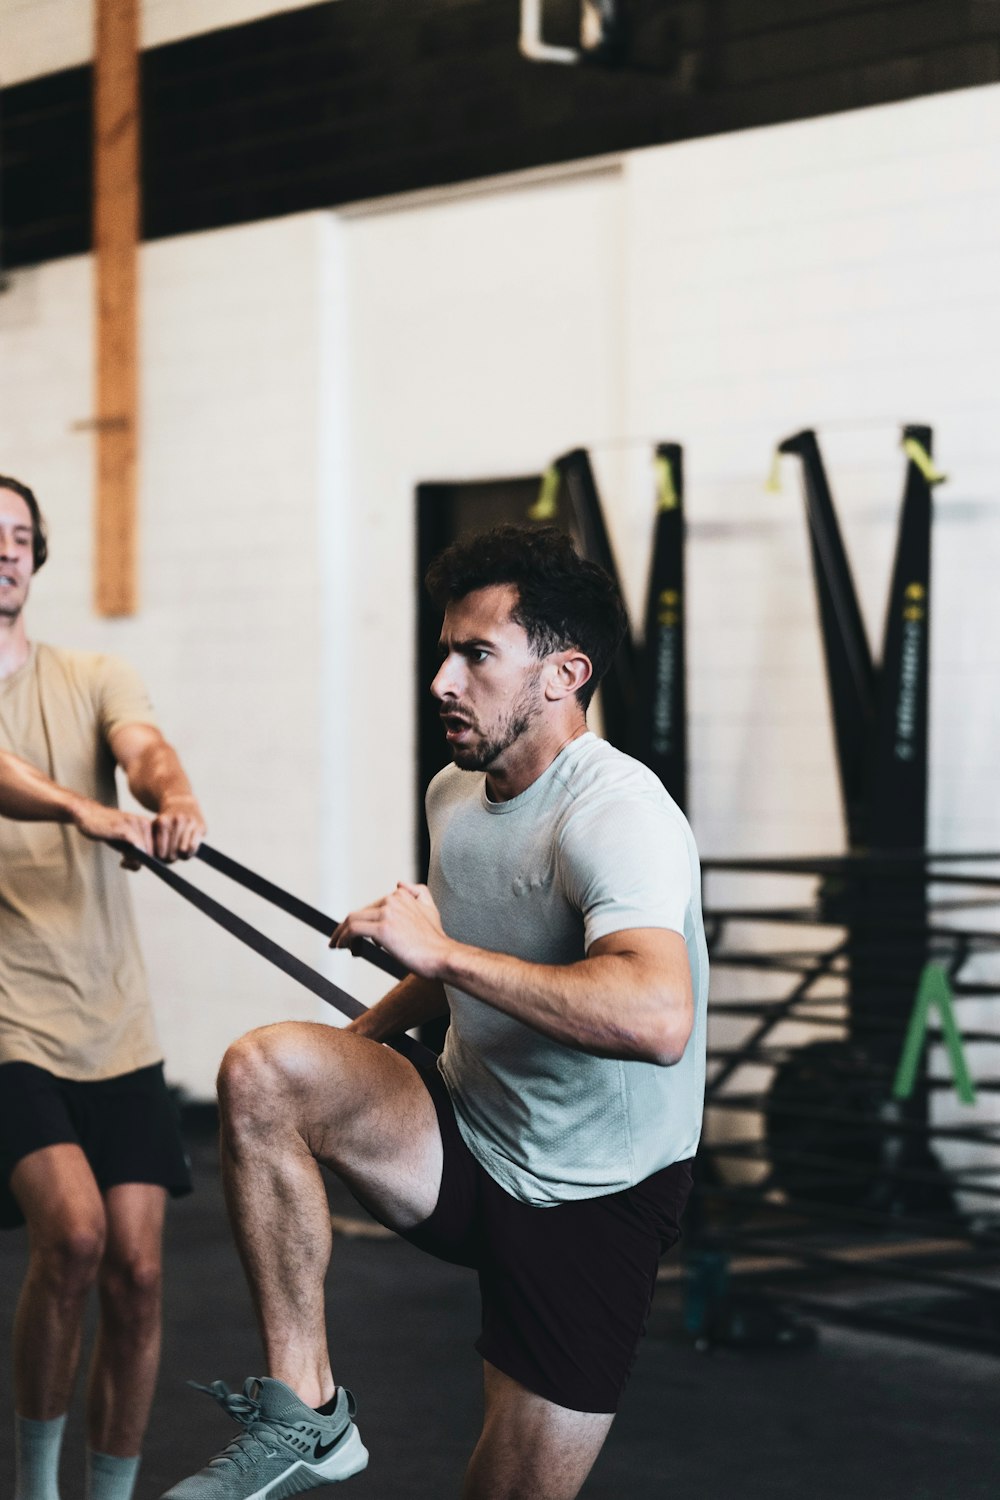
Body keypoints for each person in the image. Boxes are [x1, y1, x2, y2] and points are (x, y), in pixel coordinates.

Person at [162, 524, 708, 1500]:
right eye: (444, 651)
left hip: (592, 1196)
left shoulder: (618, 812)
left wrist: (442, 952)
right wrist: (357, 1048)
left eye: (476, 656)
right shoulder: (455, 791)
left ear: (560, 674)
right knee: (266, 1073)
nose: (442, 682)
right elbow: (465, 966)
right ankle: (308, 1415)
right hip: (463, 1132)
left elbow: (656, 1015)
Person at [0, 475, 207, 1500]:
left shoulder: (91, 673)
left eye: (19, 534)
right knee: (73, 1236)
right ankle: (35, 1489)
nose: (4, 547)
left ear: (38, 556)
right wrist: (83, 812)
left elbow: (146, 750)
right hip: (10, 1025)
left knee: (137, 1274)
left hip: (115, 1022)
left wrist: (172, 801)